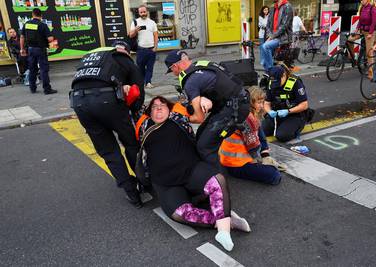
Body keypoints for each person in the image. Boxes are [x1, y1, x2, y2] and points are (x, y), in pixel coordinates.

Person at [135, 96, 251, 252]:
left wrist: (205, 100)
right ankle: (225, 220)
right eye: (154, 107)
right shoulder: (144, 127)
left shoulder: (178, 118)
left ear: (170, 109)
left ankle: (223, 232)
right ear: (149, 113)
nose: (159, 108)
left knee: (217, 180)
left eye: (163, 105)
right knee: (179, 214)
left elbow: (197, 107)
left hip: (190, 170)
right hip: (166, 182)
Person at [70, 41, 145, 207]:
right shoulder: (123, 58)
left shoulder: (91, 57)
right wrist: (134, 110)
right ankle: (145, 182)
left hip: (78, 102)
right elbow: (138, 91)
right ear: (127, 52)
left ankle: (132, 194)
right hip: (107, 101)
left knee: (109, 152)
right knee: (131, 144)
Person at [165, 50, 250, 166]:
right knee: (200, 134)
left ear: (175, 66)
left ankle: (217, 180)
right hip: (234, 102)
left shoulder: (190, 83)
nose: (173, 73)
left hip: (234, 109)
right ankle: (206, 169)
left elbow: (199, 118)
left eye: (171, 70)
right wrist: (202, 99)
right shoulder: (201, 65)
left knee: (205, 146)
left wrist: (180, 119)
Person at [219, 86, 283, 185]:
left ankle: (265, 157)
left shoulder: (240, 112)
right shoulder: (248, 119)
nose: (262, 106)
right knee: (274, 175)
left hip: (228, 160)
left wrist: (265, 154)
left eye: (262, 102)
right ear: (251, 102)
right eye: (259, 102)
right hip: (236, 165)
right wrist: (261, 161)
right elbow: (254, 147)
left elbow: (259, 133)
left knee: (260, 128)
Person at [262, 64, 311, 142]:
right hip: (277, 114)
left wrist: (288, 111)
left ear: (284, 75)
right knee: (261, 131)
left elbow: (304, 105)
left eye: (278, 81)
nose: (276, 84)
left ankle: (297, 126)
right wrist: (269, 111)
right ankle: (281, 126)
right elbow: (267, 103)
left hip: (294, 115)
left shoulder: (295, 83)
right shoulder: (271, 83)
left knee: (282, 136)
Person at [20, 8, 56, 94]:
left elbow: (22, 37)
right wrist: (51, 38)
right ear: (41, 15)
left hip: (30, 49)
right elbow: (50, 39)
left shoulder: (27, 24)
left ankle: (33, 88)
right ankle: (47, 89)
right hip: (40, 49)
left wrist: (22, 49)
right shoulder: (42, 25)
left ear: (33, 15)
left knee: (32, 69)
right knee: (44, 69)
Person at [128, 5, 158, 89]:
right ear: (139, 13)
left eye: (144, 12)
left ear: (147, 12)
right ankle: (143, 81)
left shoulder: (152, 22)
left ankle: (148, 82)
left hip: (151, 49)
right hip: (141, 49)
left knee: (150, 67)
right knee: (140, 67)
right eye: (141, 12)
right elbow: (130, 35)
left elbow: (155, 35)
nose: (143, 13)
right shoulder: (135, 22)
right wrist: (135, 30)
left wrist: (155, 47)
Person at [347, 0, 376, 78]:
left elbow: (374, 22)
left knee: (369, 53)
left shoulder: (372, 8)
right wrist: (357, 29)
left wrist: (370, 33)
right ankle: (353, 57)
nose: (361, 1)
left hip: (369, 32)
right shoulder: (362, 8)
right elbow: (360, 20)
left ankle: (371, 72)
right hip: (362, 30)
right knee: (349, 40)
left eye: (363, 0)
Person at [260, 0, 293, 71]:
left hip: (283, 37)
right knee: (264, 59)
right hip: (273, 37)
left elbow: (284, 26)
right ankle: (269, 73)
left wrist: (272, 37)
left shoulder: (287, 7)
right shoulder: (272, 8)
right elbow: (268, 25)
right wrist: (270, 35)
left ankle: (271, 71)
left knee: (265, 47)